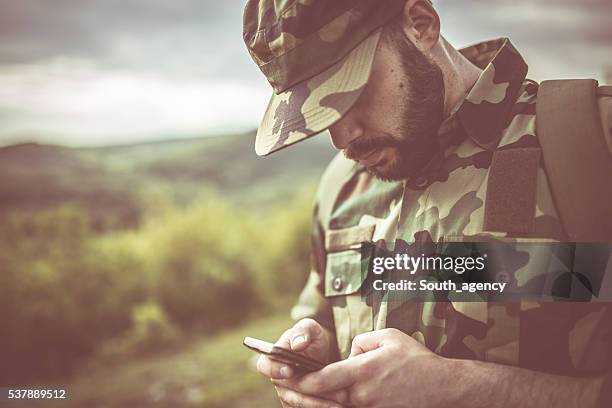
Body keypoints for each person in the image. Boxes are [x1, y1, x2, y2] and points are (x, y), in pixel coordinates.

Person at [242, 0, 612, 406]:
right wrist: (316, 352)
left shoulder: (594, 142)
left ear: (421, 25)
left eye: (350, 90)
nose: (342, 137)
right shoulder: (340, 185)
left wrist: (463, 389)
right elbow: (323, 316)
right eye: (318, 112)